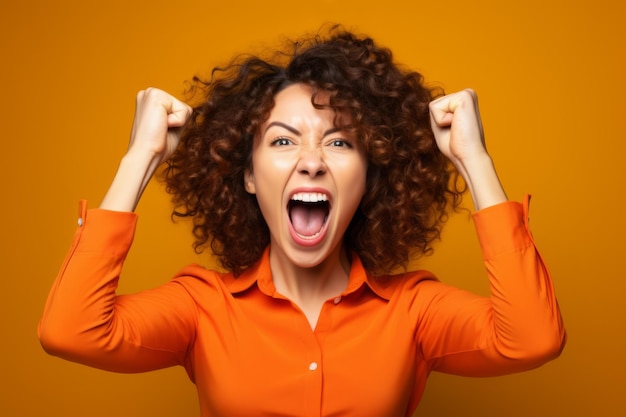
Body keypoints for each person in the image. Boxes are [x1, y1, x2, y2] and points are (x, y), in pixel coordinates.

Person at [38, 27, 566, 416]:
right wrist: (141, 158)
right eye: (283, 140)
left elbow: (532, 339)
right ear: (247, 176)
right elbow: (71, 332)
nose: (311, 161)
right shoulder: (201, 308)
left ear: (369, 177)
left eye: (338, 142)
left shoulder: (413, 311)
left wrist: (475, 161)